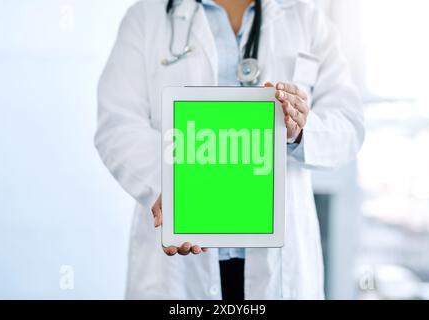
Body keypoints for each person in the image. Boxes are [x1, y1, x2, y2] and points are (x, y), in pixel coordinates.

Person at [95, 0, 364, 300]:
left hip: (279, 265)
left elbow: (348, 124)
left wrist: (301, 130)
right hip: (180, 262)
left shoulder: (305, 18)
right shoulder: (147, 17)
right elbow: (117, 123)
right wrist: (171, 187)